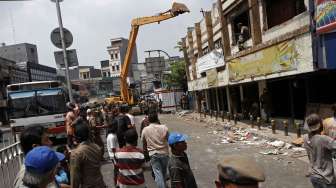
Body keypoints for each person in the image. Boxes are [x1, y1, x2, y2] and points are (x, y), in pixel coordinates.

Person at [70, 118, 106, 188]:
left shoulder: (76, 153)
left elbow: (75, 177)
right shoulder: (96, 147)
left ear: (76, 137)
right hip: (100, 183)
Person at [303, 113, 336, 187]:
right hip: (325, 178)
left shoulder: (305, 137)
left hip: (313, 175)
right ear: (320, 125)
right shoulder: (323, 139)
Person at [141, 113, 169, 188]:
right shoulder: (164, 127)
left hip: (153, 155)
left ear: (149, 120)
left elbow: (144, 144)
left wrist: (145, 154)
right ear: (157, 119)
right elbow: (168, 139)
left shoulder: (145, 129)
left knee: (158, 175)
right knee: (163, 173)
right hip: (164, 153)